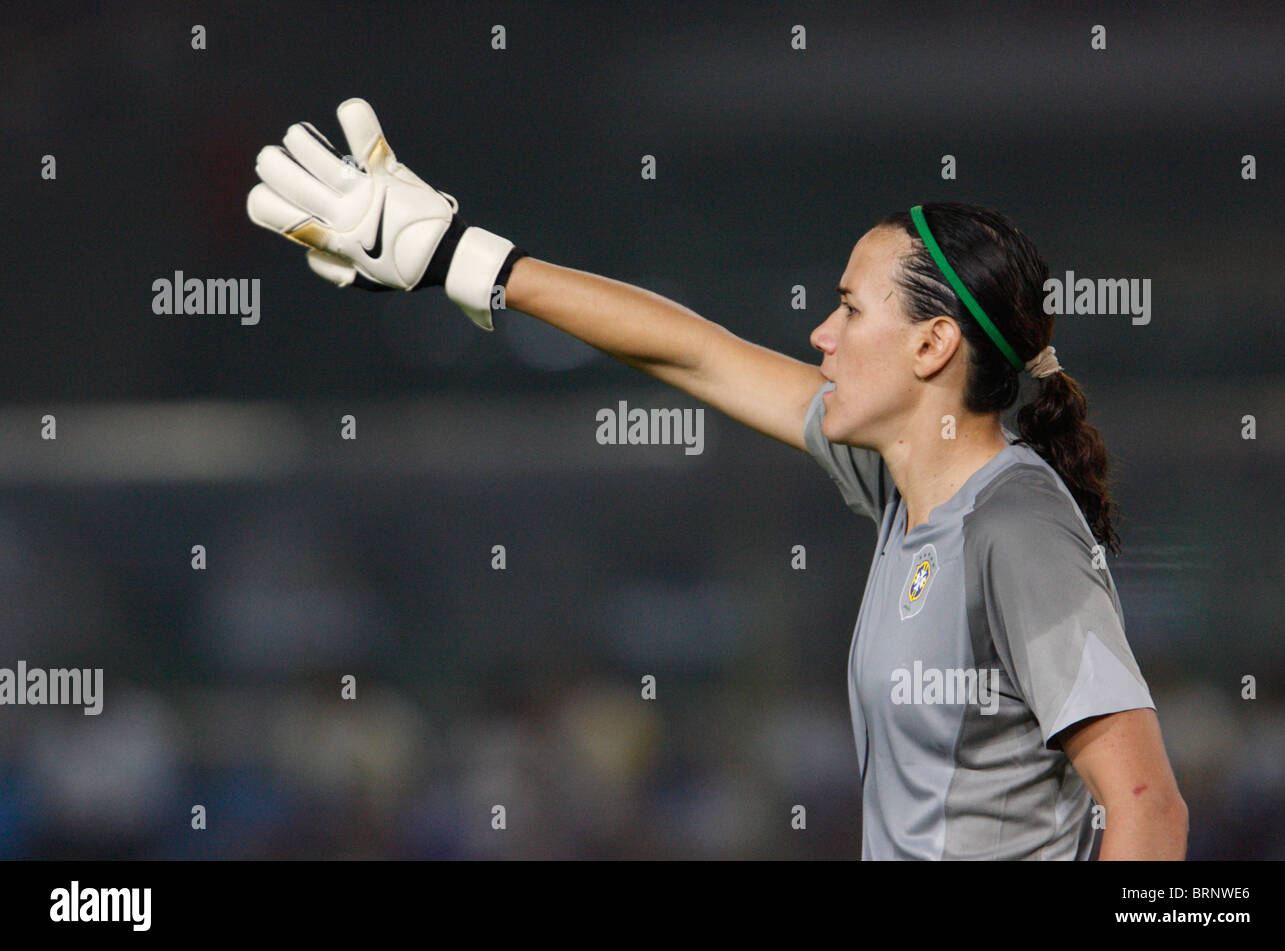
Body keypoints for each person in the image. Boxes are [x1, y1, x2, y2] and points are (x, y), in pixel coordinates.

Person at [247, 99, 1189, 860]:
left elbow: (1149, 813)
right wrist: (472, 260)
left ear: (933, 345)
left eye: (851, 308)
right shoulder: (908, 479)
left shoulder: (1016, 527)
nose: (821, 332)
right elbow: (698, 354)